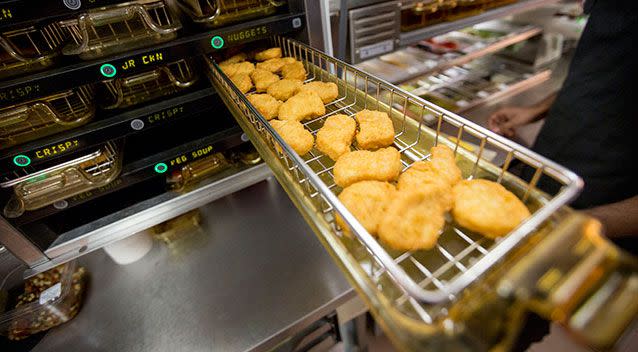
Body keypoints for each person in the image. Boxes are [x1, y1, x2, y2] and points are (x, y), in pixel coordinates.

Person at [488, 0, 638, 243]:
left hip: (602, 212)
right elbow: (605, 70)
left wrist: (579, 223)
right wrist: (536, 109)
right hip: (546, 166)